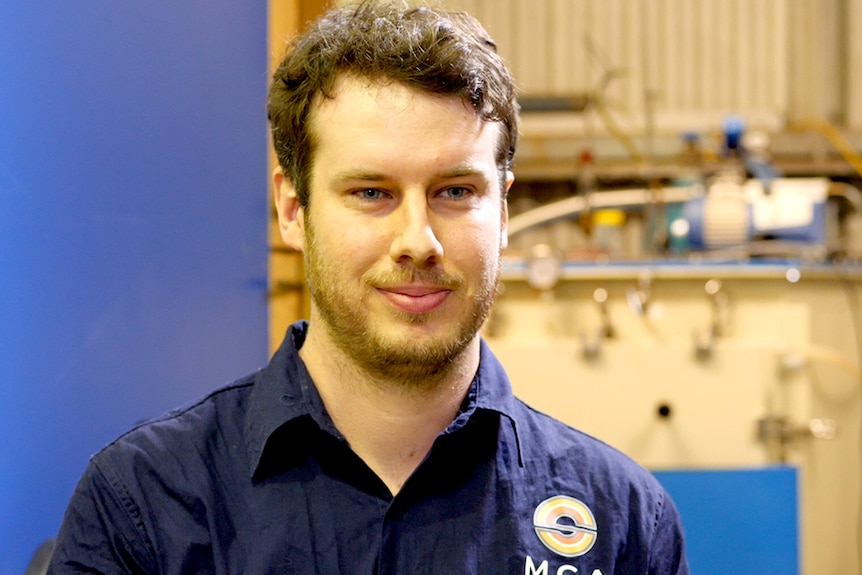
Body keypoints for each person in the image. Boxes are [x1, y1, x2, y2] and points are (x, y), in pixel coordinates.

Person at [49, 1, 689, 573]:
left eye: (455, 192)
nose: (418, 239)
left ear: (504, 212)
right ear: (293, 209)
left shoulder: (623, 522)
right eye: (372, 193)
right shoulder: (145, 505)